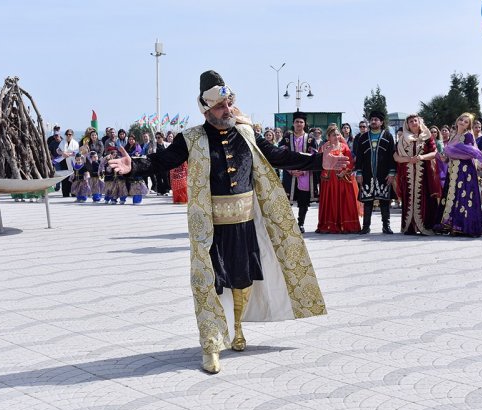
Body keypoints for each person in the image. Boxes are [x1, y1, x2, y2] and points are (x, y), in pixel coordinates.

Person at [108, 70, 348, 374]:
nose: (228, 109)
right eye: (222, 106)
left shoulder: (247, 133)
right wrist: (134, 168)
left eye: (230, 103)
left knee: (242, 279)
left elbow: (278, 155)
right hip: (211, 227)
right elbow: (161, 162)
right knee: (211, 283)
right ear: (207, 110)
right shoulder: (191, 138)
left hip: (245, 222)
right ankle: (210, 344)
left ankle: (237, 331)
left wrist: (319, 162)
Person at [433, 112, 482, 237]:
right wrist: (441, 156)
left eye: (466, 122)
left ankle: (462, 226)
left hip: (465, 171)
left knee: (464, 197)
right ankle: (450, 224)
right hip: (453, 170)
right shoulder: (453, 135)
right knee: (453, 196)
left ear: (468, 126)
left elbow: (471, 154)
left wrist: (452, 154)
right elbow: (448, 158)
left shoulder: (467, 136)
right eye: (461, 119)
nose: (462, 122)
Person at [393, 115, 441, 235]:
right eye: (411, 121)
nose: (414, 123)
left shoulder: (427, 136)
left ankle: (425, 226)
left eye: (416, 120)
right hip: (407, 175)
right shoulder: (403, 138)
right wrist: (408, 159)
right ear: (407, 124)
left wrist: (421, 157)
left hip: (424, 174)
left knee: (425, 198)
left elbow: (434, 153)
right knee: (408, 198)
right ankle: (410, 227)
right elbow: (396, 156)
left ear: (420, 122)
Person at [354, 111, 396, 234]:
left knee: (385, 200)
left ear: (381, 122)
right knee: (367, 201)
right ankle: (366, 227)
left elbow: (392, 156)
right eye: (372, 119)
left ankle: (386, 226)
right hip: (367, 173)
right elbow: (359, 157)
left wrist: (392, 172)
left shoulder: (388, 136)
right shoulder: (363, 137)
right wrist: (359, 173)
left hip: (384, 173)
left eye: (376, 119)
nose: (373, 121)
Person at [315, 126, 360, 234]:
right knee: (330, 200)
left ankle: (347, 225)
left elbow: (350, 161)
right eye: (334, 135)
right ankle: (328, 225)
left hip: (342, 178)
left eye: (338, 134)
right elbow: (319, 162)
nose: (336, 137)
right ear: (328, 136)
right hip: (329, 180)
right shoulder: (324, 147)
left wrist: (344, 171)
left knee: (344, 201)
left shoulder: (344, 147)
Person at [279, 111, 319, 233]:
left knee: (303, 201)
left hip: (305, 174)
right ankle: (288, 225)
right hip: (289, 173)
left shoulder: (310, 139)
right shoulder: (286, 138)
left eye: (301, 122)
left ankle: (300, 223)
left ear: (304, 124)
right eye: (297, 121)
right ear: (293, 123)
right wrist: (290, 169)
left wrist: (302, 170)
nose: (299, 124)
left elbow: (314, 157)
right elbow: (280, 155)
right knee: (287, 201)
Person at [167, 131, 188, 204]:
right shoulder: (171, 147)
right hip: (174, 168)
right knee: (175, 184)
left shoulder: (184, 147)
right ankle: (177, 199)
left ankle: (183, 199)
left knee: (183, 184)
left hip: (182, 167)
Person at [57, 129, 79, 197]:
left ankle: (74, 192)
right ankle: (65, 193)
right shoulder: (62, 142)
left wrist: (69, 154)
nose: (68, 136)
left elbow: (76, 152)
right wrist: (63, 153)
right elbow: (58, 150)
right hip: (64, 161)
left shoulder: (75, 143)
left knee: (73, 178)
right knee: (65, 178)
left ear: (72, 135)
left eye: (70, 134)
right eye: (67, 134)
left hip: (73, 162)